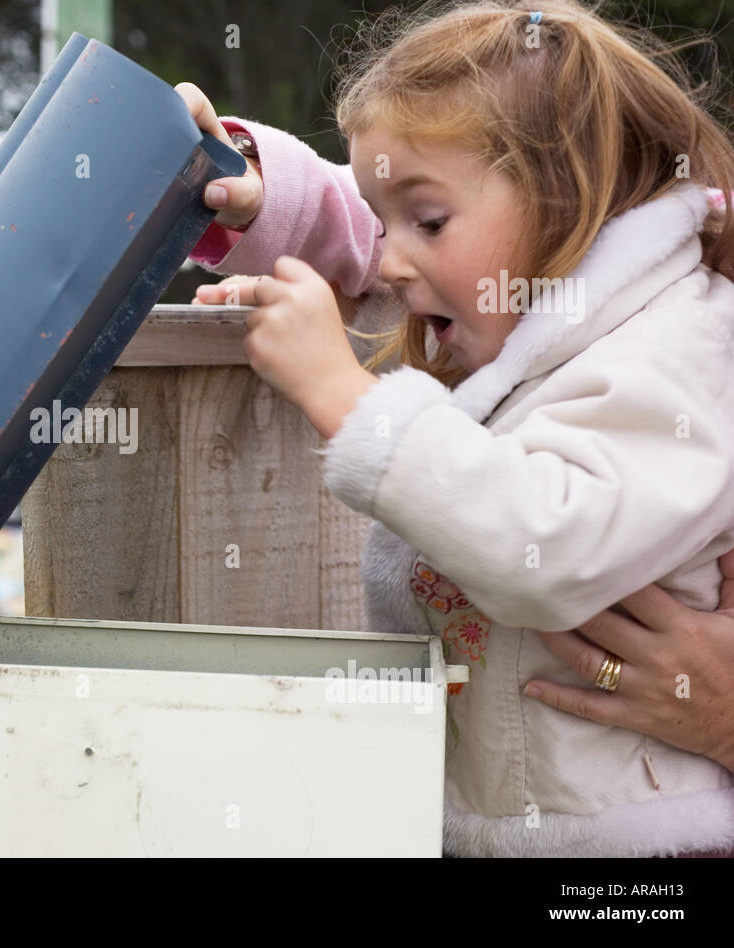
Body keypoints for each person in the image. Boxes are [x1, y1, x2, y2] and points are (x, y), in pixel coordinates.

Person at [179, 0, 734, 857]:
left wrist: (347, 397)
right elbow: (395, 238)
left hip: (635, 856)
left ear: (568, 198)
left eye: (427, 222)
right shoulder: (568, 306)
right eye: (384, 216)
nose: (392, 258)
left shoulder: (674, 358)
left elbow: (545, 544)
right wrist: (257, 198)